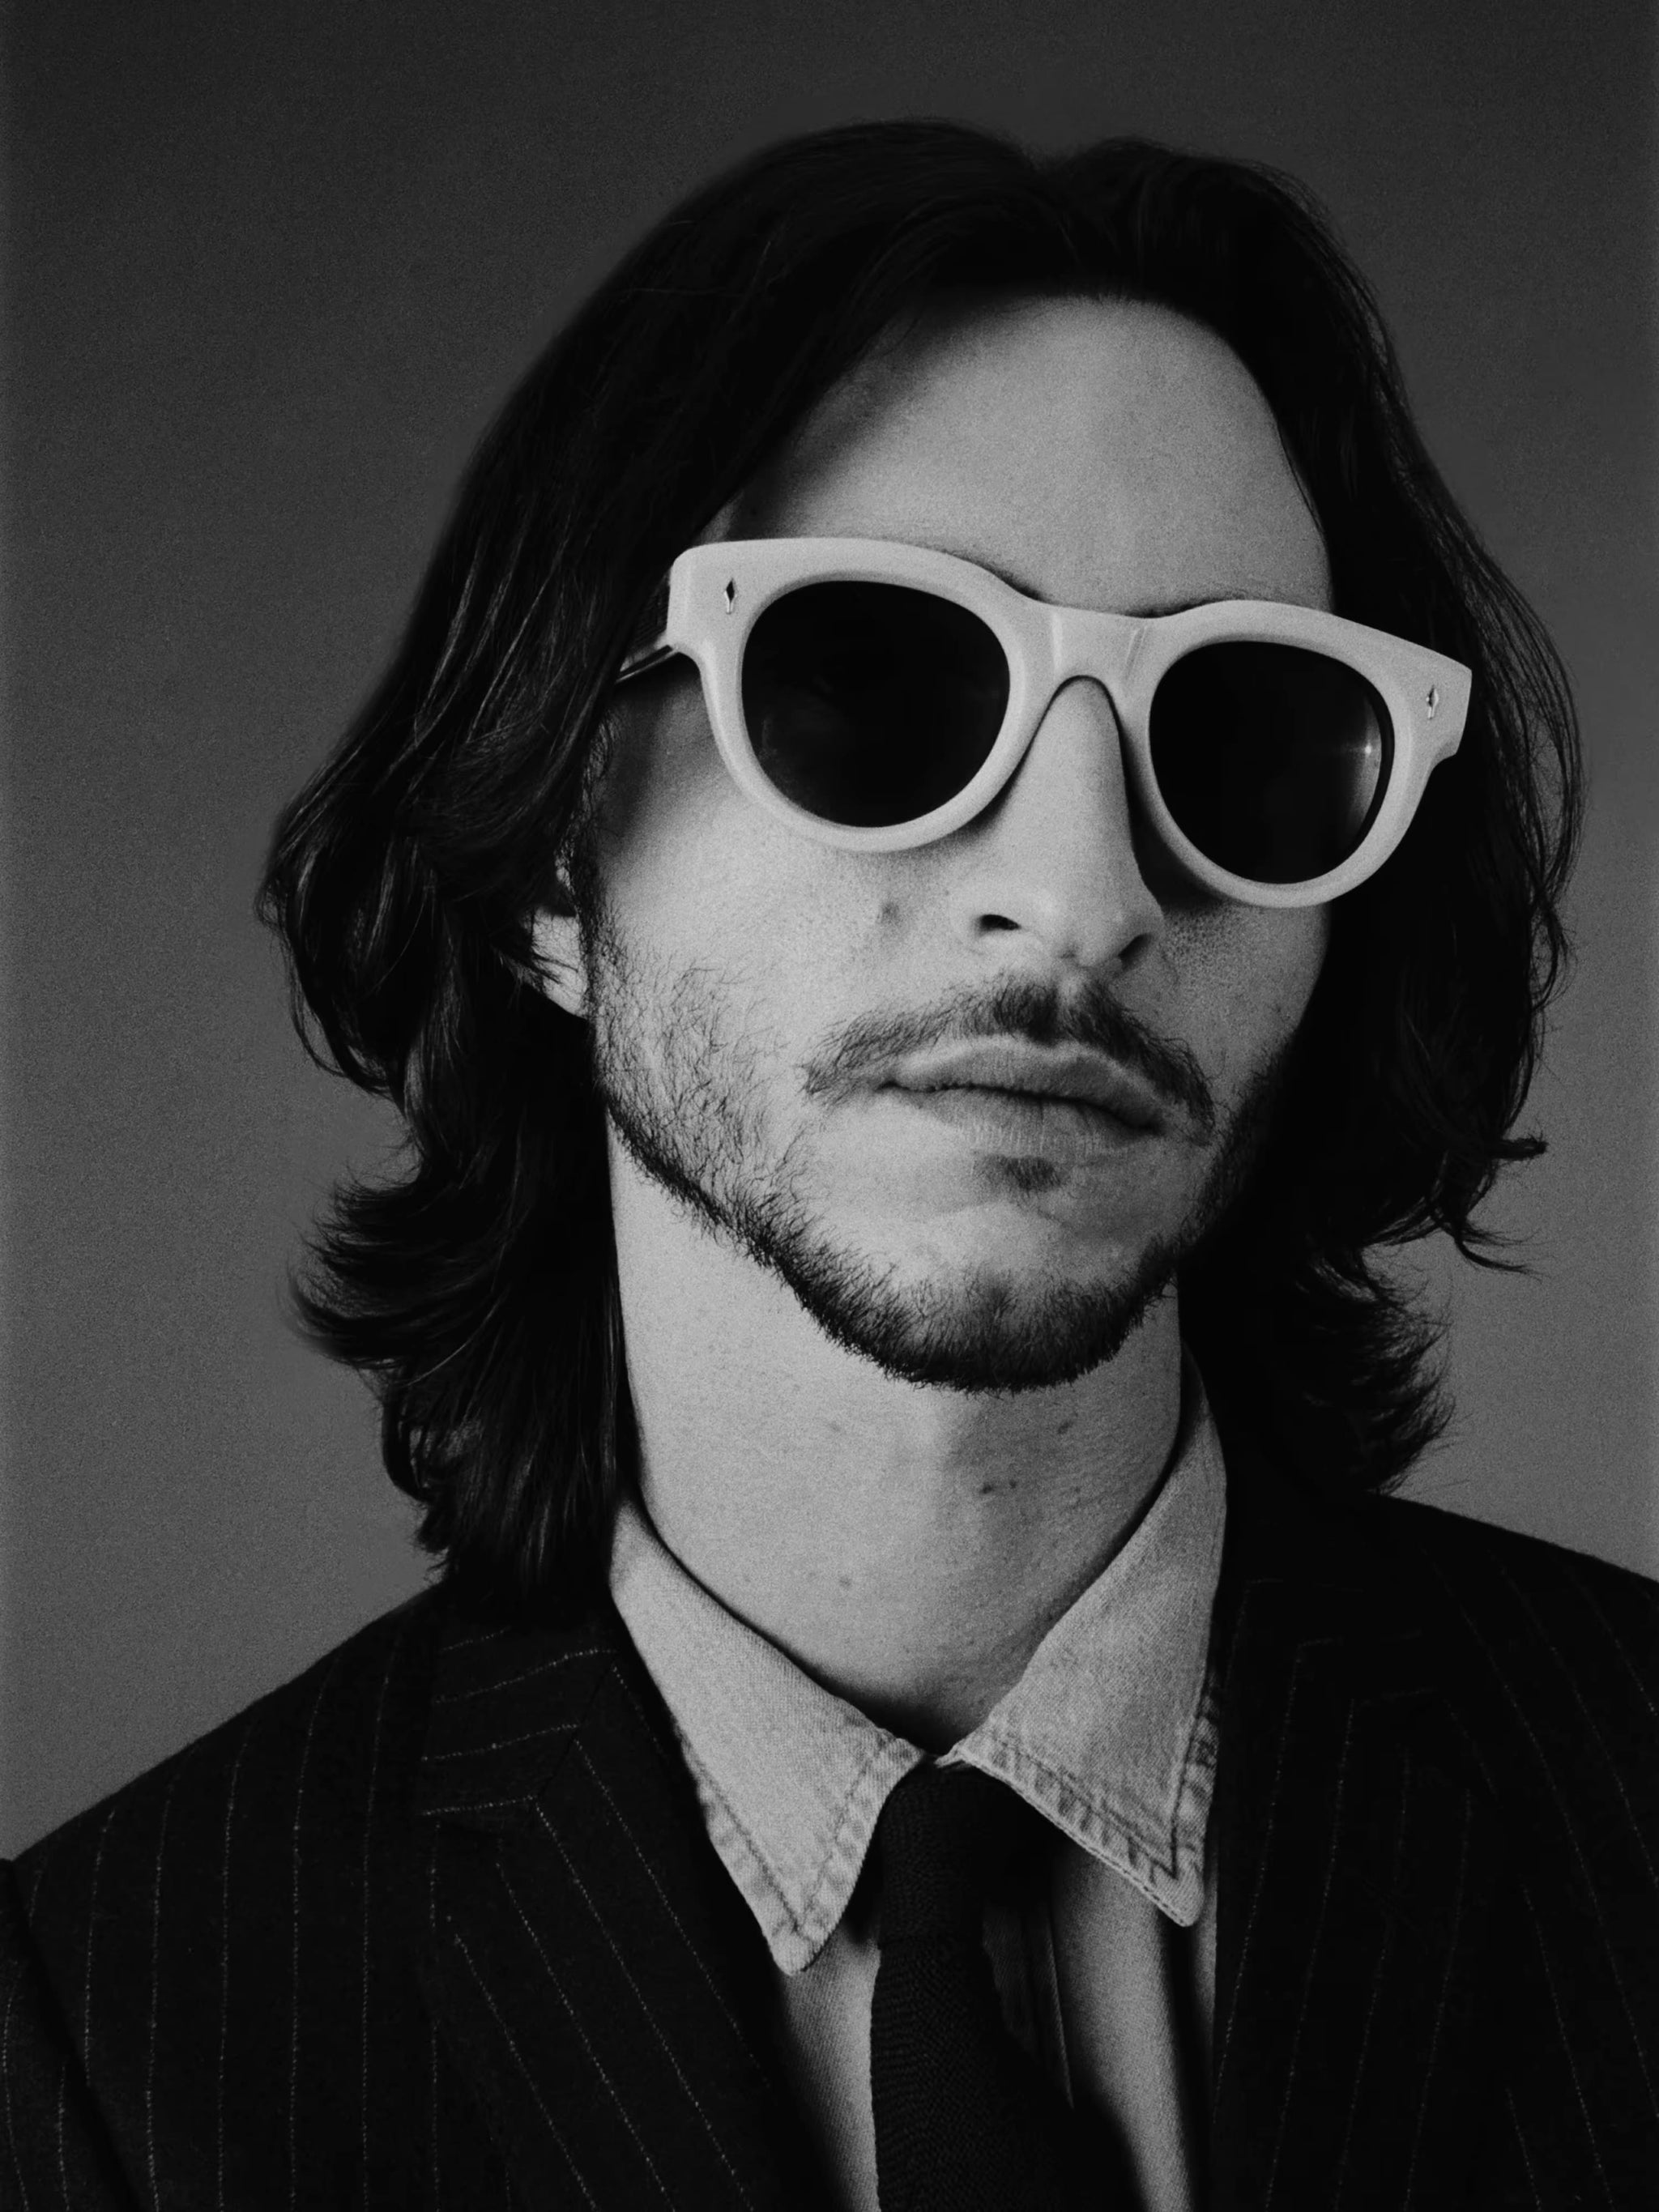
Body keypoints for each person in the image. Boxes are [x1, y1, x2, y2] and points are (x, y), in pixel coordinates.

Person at [4, 119, 1655, 2212]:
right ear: (550, 861)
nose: (1081, 896)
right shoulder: (101, 2042)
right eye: (873, 681)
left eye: (1248, 736)